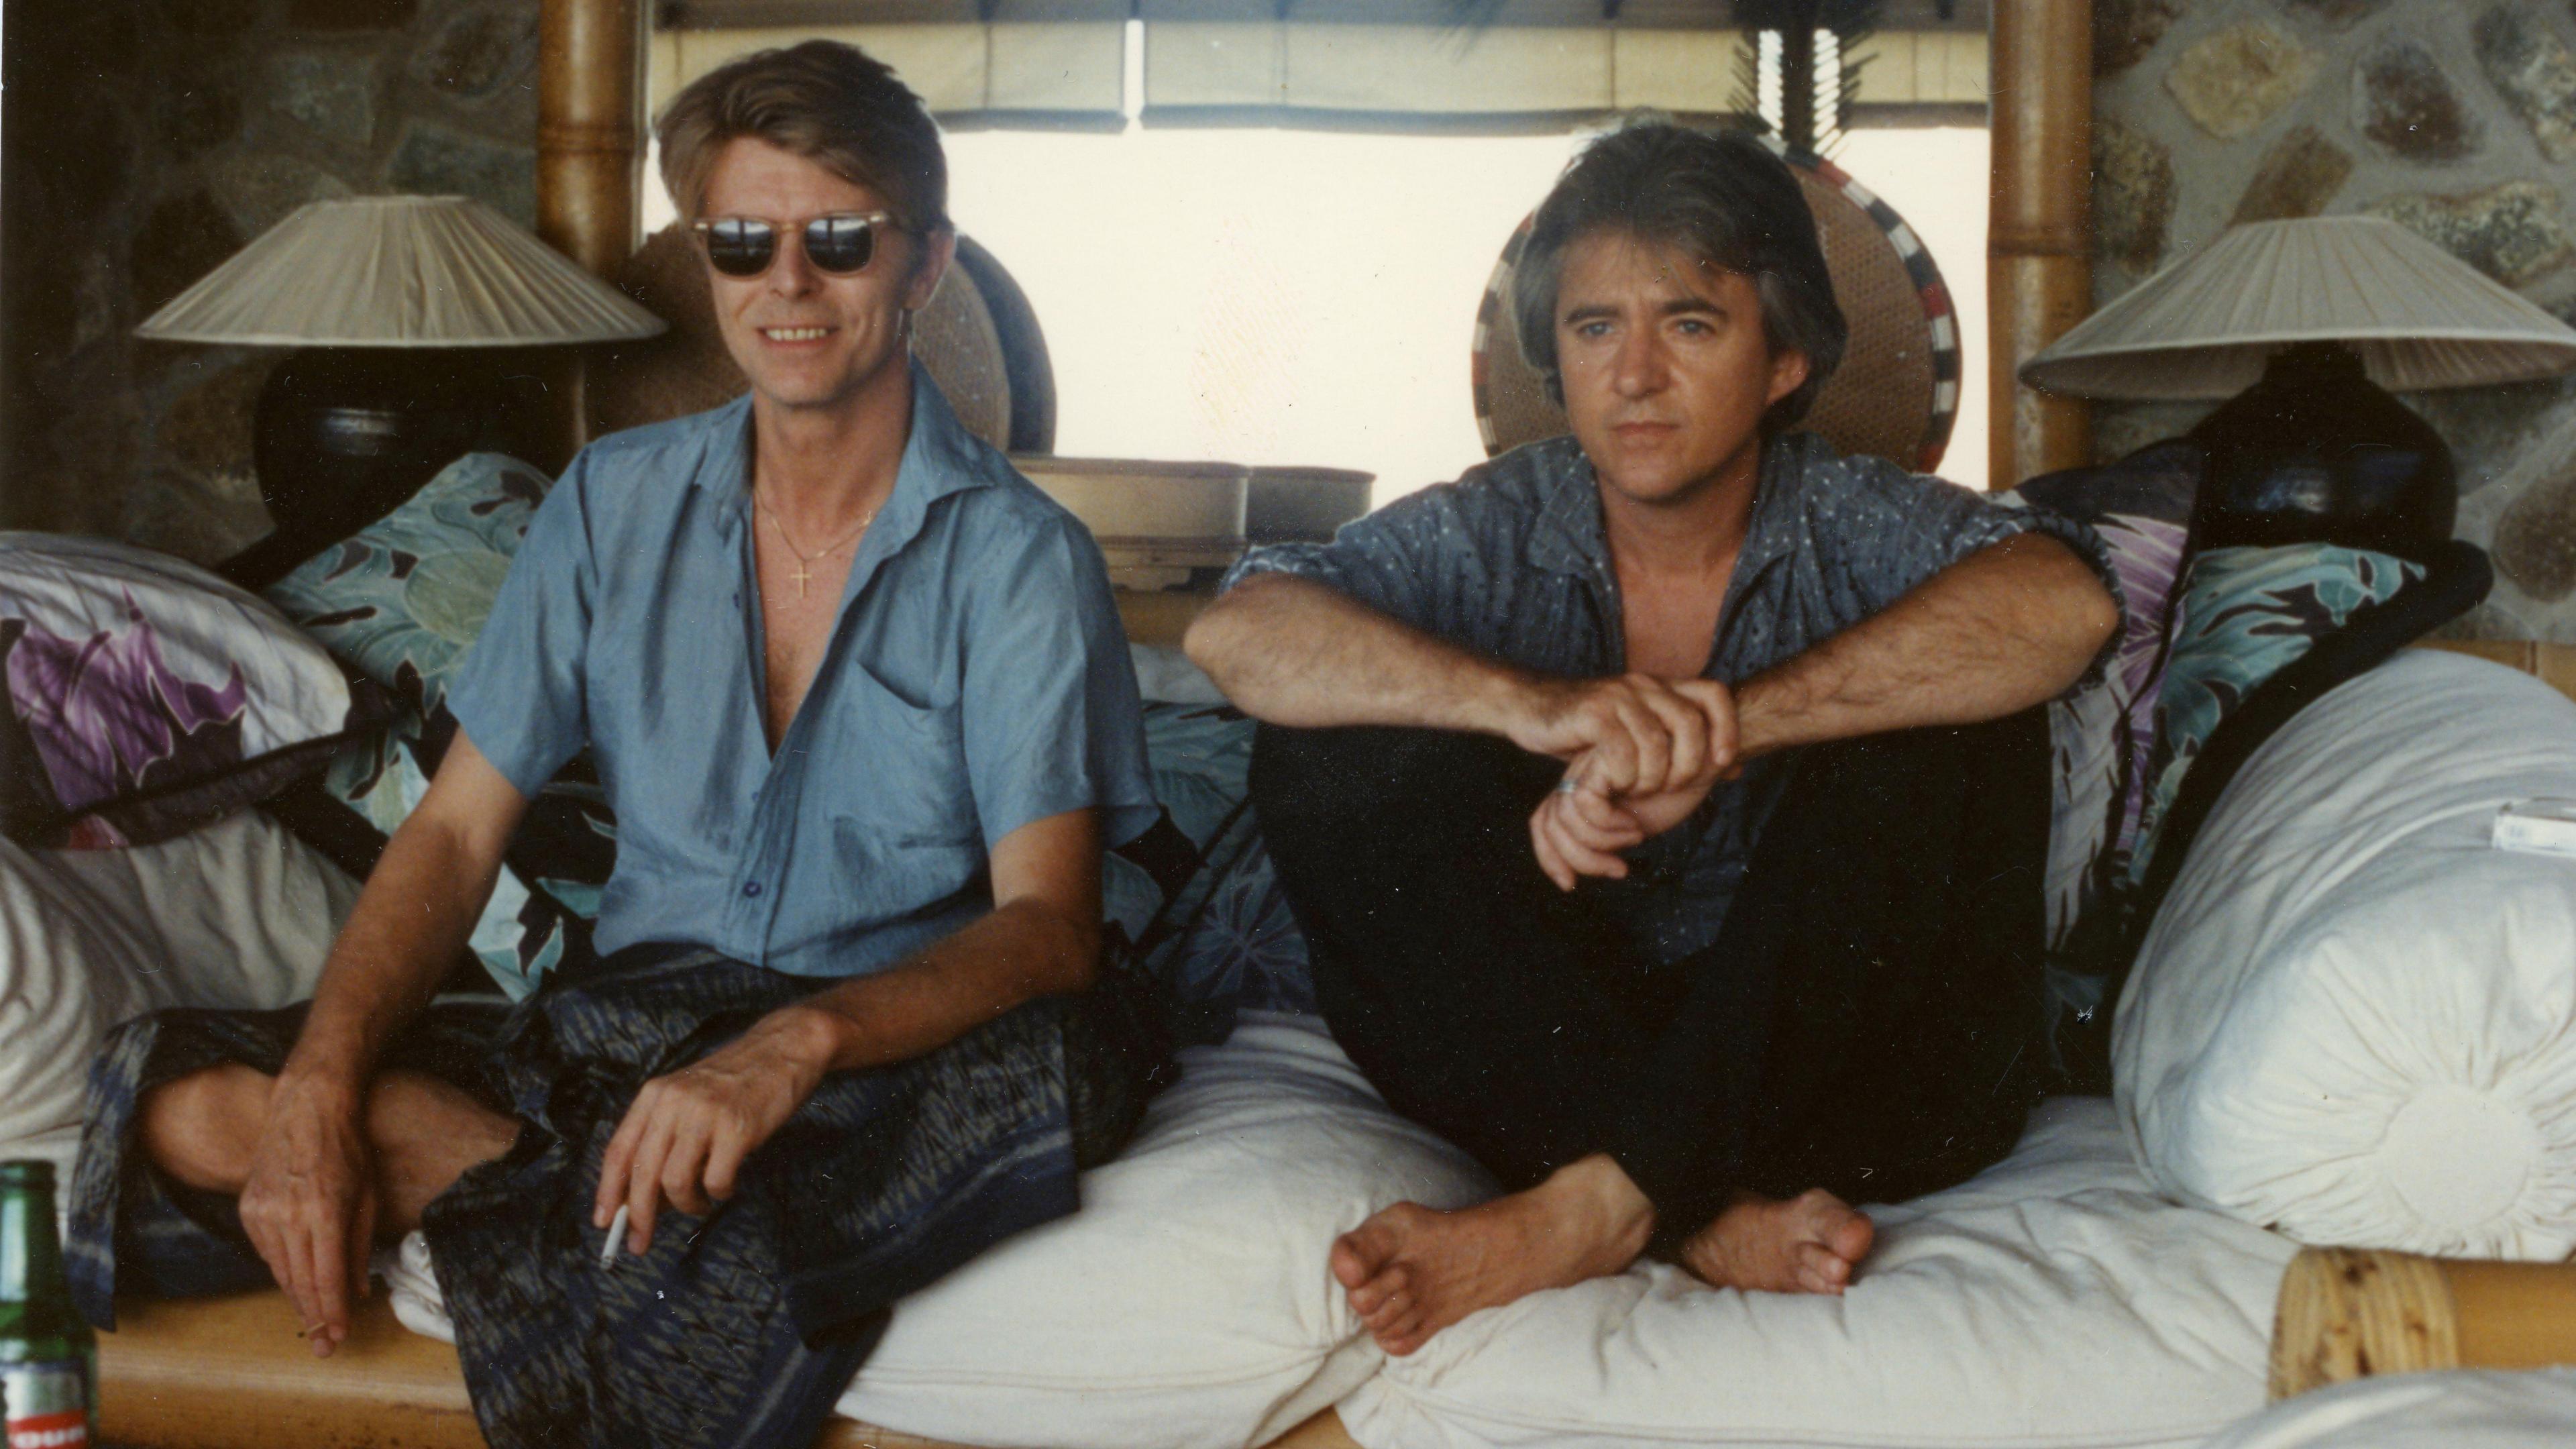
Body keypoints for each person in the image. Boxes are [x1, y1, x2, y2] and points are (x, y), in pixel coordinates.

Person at [66, 41, 1167, 1449]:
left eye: (839, 241)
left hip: (894, 1038)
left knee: (1013, 1090)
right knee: (186, 1103)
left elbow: (1049, 933)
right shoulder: (609, 502)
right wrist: (328, 1088)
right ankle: (587, 1187)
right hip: (636, 1024)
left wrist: (792, 1048)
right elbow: (458, 832)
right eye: (741, 242)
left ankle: (571, 1189)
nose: (788, 284)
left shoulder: (1021, 559)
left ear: (925, 265)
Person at [1184, 121, 2122, 1357]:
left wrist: (1727, 731)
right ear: (1557, 359)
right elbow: (1240, 636)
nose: (1633, 376)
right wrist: (1544, 712)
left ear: (1783, 359)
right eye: (1593, 329)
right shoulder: (1500, 524)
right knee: (1328, 747)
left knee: (1945, 726)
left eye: (1688, 324)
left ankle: (1594, 1207)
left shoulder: (1851, 515)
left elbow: (2068, 606)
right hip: (1562, 1059)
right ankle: (1689, 1213)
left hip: (1849, 1086)